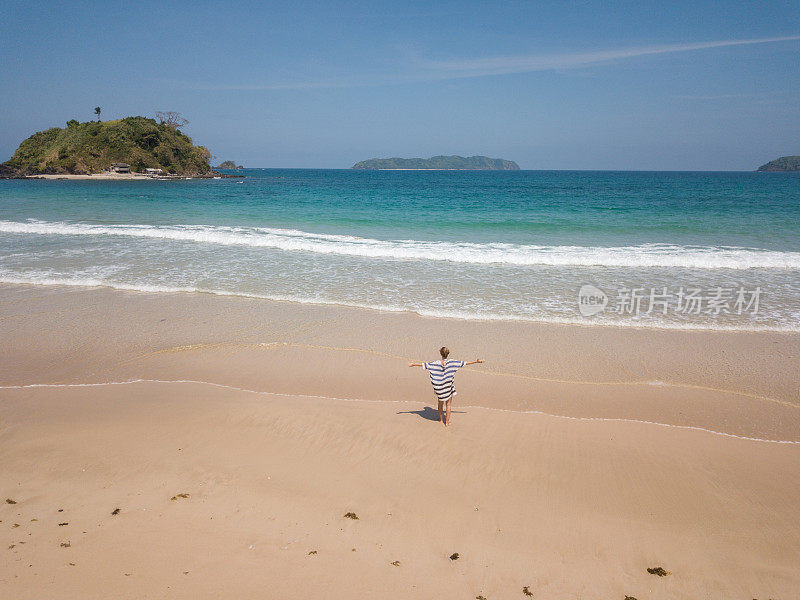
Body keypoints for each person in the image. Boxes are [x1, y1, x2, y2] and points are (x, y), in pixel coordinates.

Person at [408, 346, 484, 426]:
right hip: (448, 388)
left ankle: (440, 420)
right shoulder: (452, 362)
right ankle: (447, 422)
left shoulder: (436, 363)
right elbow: (464, 363)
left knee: (440, 404)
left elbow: (425, 365)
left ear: (441, 354)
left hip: (440, 388)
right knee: (448, 404)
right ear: (448, 354)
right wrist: (476, 361)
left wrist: (413, 364)